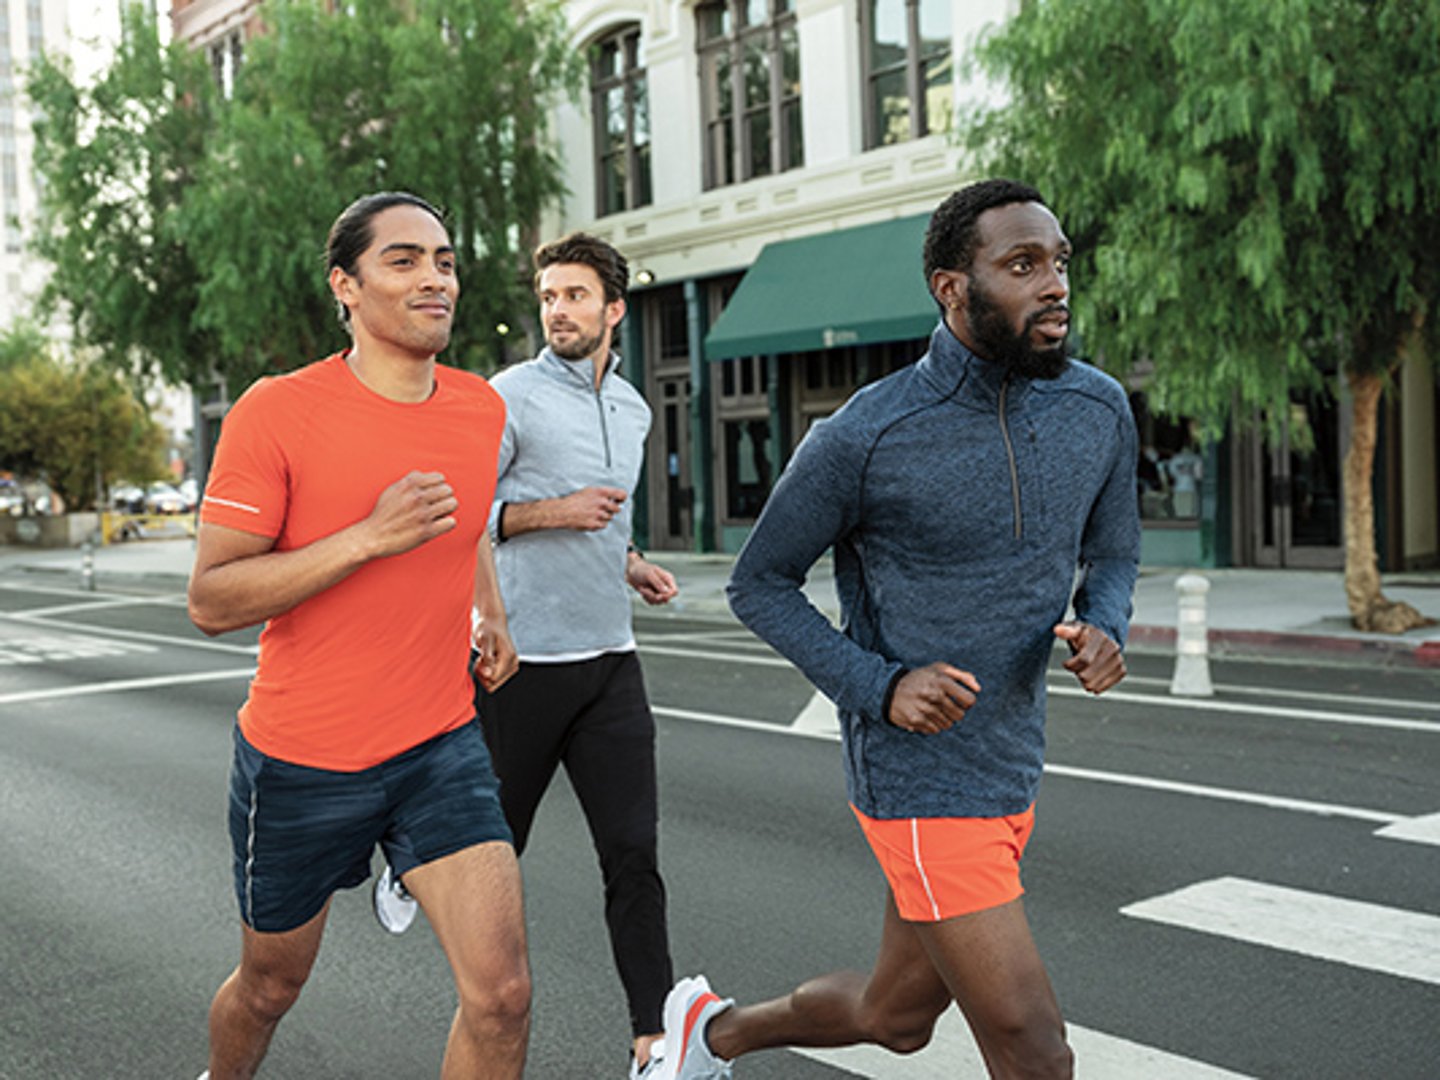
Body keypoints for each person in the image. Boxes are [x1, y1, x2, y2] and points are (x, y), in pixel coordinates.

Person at [654, 179, 1141, 1080]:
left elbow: (1113, 552)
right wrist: (880, 686)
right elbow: (759, 584)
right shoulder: (865, 435)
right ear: (952, 287)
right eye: (1023, 264)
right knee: (1036, 1049)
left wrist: (1105, 624)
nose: (1056, 284)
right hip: (919, 778)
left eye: (1060, 262)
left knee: (898, 1016)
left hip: (1010, 757)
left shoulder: (1097, 407)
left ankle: (709, 1033)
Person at [188, 191, 530, 1079]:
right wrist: (367, 537)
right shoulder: (276, 410)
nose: (435, 279)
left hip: (439, 743)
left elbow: (464, 521)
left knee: (502, 998)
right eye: (405, 260)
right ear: (345, 285)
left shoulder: (478, 409)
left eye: (446, 260)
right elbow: (214, 599)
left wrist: (486, 607)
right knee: (268, 989)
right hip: (303, 759)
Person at [377, 231, 679, 1078]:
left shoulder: (634, 409)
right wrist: (553, 514)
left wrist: (631, 563)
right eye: (549, 297)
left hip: (611, 662)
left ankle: (652, 1039)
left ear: (614, 310)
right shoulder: (504, 397)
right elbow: (463, 514)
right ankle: (412, 864)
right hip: (521, 668)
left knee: (633, 855)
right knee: (493, 845)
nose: (559, 311)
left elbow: (605, 521)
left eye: (576, 296)